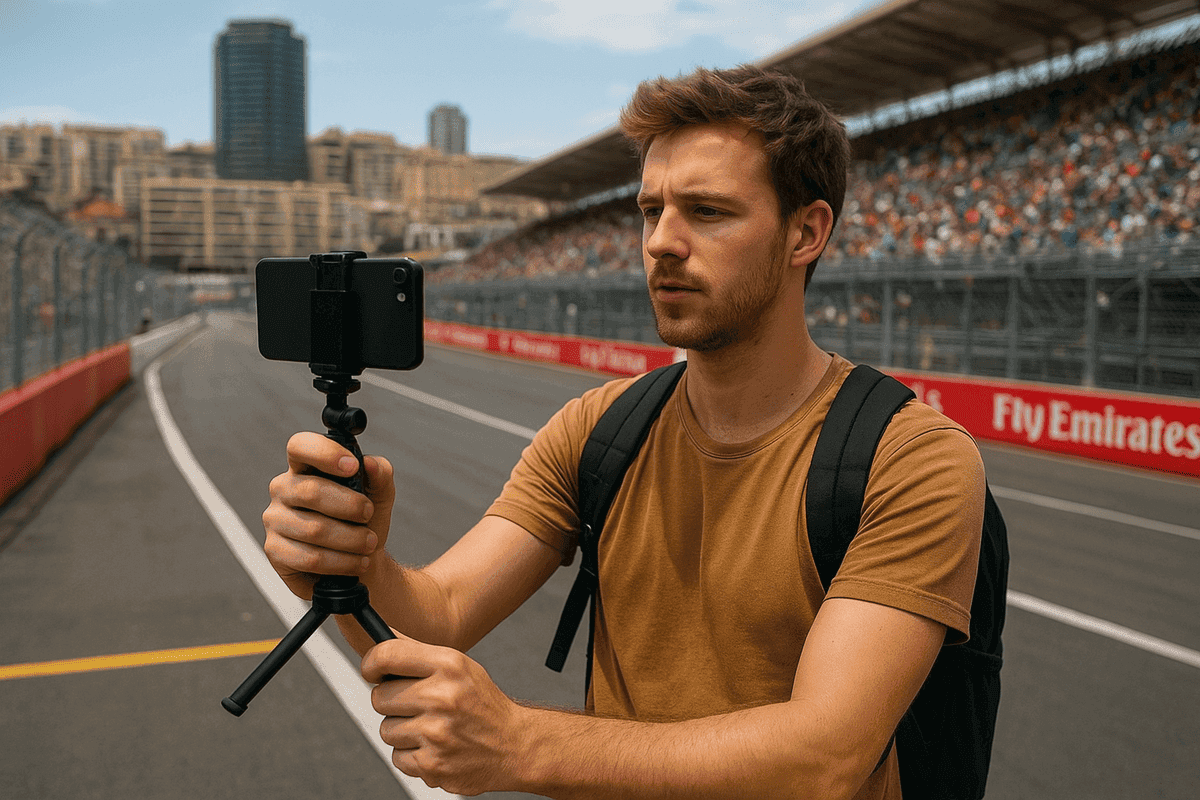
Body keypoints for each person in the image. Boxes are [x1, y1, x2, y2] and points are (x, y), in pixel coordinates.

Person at [262, 65, 985, 799]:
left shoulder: (909, 459)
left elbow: (825, 756)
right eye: (650, 211)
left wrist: (522, 743)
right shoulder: (600, 427)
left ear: (807, 232)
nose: (661, 242)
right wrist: (350, 565)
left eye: (706, 212)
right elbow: (438, 618)